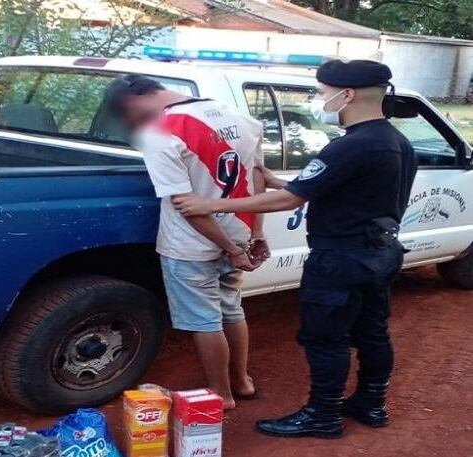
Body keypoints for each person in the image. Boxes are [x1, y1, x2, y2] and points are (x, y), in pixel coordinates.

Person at [174, 60, 418, 437]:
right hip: (380, 253)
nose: (320, 101)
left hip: (340, 258)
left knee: (326, 338)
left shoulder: (350, 146)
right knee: (372, 332)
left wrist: (212, 205)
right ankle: (372, 403)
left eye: (322, 93)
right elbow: (341, 189)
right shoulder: (395, 141)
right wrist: (277, 180)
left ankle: (323, 415)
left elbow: (287, 201)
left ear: (347, 94)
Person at [103, 75, 270, 410]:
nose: (133, 126)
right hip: (238, 229)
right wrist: (254, 234)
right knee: (231, 310)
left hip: (191, 244)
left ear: (134, 103)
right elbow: (258, 178)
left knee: (205, 320)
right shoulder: (239, 117)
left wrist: (233, 249)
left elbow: (186, 204)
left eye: (129, 119)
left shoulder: (159, 133)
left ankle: (222, 395)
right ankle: (242, 382)